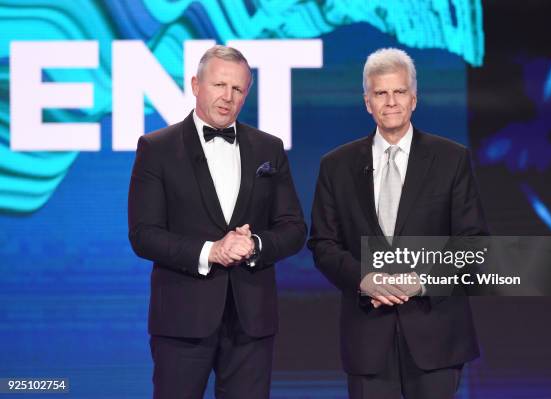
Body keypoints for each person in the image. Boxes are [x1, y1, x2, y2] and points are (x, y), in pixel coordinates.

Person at [308, 48, 488, 399]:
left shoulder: (451, 159)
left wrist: (420, 281)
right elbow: (323, 244)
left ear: (414, 99)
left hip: (436, 334)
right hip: (367, 337)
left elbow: (473, 243)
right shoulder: (336, 165)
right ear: (367, 102)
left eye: (399, 92)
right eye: (380, 93)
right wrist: (364, 279)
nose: (391, 101)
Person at [128, 45, 306, 399]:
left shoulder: (268, 148)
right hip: (182, 319)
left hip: (251, 320)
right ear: (196, 84)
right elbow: (143, 235)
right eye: (219, 85)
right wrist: (211, 251)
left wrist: (254, 245)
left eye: (237, 89)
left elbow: (294, 228)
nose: (227, 97)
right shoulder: (156, 148)